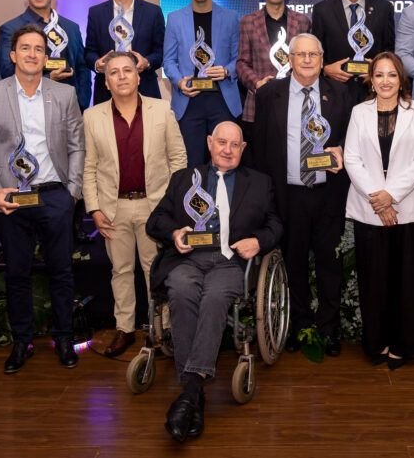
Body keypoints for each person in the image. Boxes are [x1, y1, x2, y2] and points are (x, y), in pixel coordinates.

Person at [145, 121, 283, 443]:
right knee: (179, 291)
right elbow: (156, 221)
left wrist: (259, 241)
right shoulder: (184, 180)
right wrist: (175, 233)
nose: (228, 150)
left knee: (215, 297)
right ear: (209, 143)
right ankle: (194, 392)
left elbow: (275, 224)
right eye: (222, 142)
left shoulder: (259, 183)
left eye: (235, 145)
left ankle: (190, 392)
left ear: (243, 149)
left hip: (229, 262)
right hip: (187, 260)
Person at [0, 25, 85, 374]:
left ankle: (64, 338)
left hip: (53, 194)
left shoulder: (64, 94)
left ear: (46, 57)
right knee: (17, 273)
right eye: (25, 48)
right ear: (13, 55)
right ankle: (23, 341)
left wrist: (72, 193)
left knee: (62, 271)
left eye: (39, 48)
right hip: (12, 198)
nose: (32, 54)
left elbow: (77, 146)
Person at [251, 33, 352, 356]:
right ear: (289, 60)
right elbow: (260, 148)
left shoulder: (342, 94)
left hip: (328, 193)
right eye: (301, 55)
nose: (307, 60)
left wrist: (344, 152)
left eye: (313, 55)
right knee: (293, 265)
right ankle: (300, 327)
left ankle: (328, 330)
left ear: (322, 60)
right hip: (288, 195)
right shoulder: (270, 94)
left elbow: (355, 139)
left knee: (328, 266)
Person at [83, 52, 188, 358]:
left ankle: (164, 330)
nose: (122, 76)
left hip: (154, 208)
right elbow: (89, 167)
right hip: (113, 208)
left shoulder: (162, 110)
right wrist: (94, 208)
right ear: (106, 81)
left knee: (156, 270)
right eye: (114, 72)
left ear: (138, 76)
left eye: (127, 70)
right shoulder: (92, 116)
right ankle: (125, 329)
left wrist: (169, 206)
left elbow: (178, 160)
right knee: (121, 270)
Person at [342, 52, 414, 369]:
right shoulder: (358, 112)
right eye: (379, 75)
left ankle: (405, 345)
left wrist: (390, 196)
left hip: (408, 209)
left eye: (391, 75)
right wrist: (377, 199)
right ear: (370, 79)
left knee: (407, 283)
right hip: (370, 211)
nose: (385, 81)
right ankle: (376, 343)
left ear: (401, 79)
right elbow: (352, 159)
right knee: (374, 280)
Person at [163, 0, 242, 166]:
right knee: (191, 163)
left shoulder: (231, 17)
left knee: (226, 161)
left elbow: (239, 58)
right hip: (189, 101)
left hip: (222, 99)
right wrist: (179, 82)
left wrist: (226, 70)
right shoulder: (174, 19)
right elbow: (168, 60)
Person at [0, 0, 93, 110]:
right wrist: (48, 80)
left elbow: (82, 67)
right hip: (29, 106)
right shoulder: (11, 29)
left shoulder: (71, 27)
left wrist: (81, 102)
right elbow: (7, 71)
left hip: (69, 107)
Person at [310, 0, 395, 103]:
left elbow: (390, 52)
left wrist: (378, 69)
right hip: (334, 95)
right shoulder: (322, 10)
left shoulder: (384, 9)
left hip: (374, 94)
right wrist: (325, 70)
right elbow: (315, 53)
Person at [235, 0, 311, 126]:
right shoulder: (248, 22)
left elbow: (309, 60)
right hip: (260, 103)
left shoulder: (302, 22)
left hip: (296, 101)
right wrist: (257, 83)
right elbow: (242, 63)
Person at [85, 0, 166, 105]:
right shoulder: (96, 13)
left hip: (145, 88)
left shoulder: (153, 12)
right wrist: (97, 64)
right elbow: (89, 52)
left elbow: (161, 52)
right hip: (106, 91)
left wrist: (147, 62)